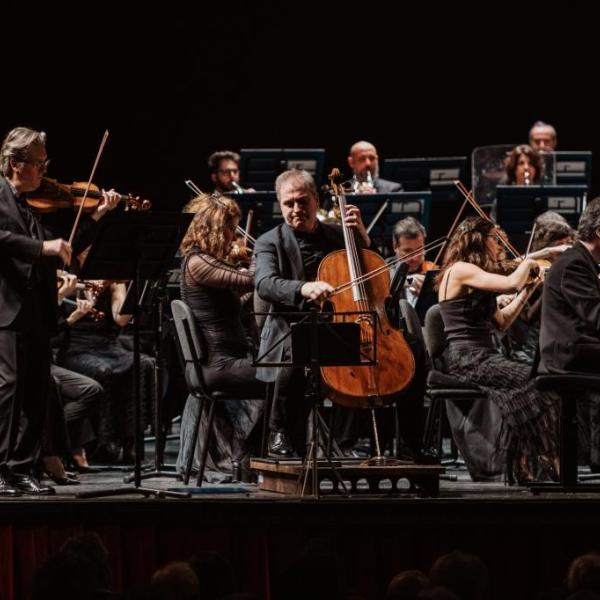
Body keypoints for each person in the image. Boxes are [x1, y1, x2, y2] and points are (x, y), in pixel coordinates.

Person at [0, 126, 118, 496]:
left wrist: (95, 218)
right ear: (15, 163)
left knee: (38, 391)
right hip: (6, 309)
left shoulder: (32, 203)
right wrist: (41, 249)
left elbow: (63, 250)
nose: (44, 172)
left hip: (36, 310)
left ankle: (22, 467)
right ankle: (1, 469)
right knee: (10, 387)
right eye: (37, 164)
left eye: (44, 163)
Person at [254, 169, 371, 456]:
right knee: (298, 347)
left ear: (316, 200)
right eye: (289, 203)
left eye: (302, 201)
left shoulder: (337, 234)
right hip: (291, 324)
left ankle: (346, 443)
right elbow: (265, 284)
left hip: (336, 321)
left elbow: (369, 273)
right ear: (280, 204)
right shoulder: (270, 241)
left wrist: (362, 238)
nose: (296, 209)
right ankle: (279, 430)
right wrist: (304, 288)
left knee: (364, 351)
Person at [437, 216, 559, 483]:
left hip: (485, 355)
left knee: (539, 380)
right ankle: (526, 462)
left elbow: (502, 323)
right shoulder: (459, 270)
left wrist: (529, 289)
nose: (499, 244)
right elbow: (510, 284)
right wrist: (532, 260)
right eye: (495, 238)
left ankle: (528, 461)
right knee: (534, 381)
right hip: (467, 358)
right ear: (479, 240)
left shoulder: (476, 277)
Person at [177, 193, 263, 481]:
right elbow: (251, 280)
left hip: (221, 364)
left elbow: (234, 301)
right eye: (230, 229)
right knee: (291, 379)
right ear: (214, 227)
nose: (233, 237)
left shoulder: (204, 262)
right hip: (220, 366)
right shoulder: (198, 263)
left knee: (287, 375)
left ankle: (253, 456)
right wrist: (262, 254)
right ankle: (249, 456)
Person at [540, 197, 600, 469]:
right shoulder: (574, 263)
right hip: (566, 353)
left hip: (578, 346)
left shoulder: (582, 261)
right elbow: (596, 317)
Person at [387, 217, 437, 307]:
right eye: (407, 251)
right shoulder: (386, 268)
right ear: (395, 247)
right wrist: (408, 281)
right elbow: (384, 283)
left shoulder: (432, 269)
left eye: (419, 250)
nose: (415, 258)